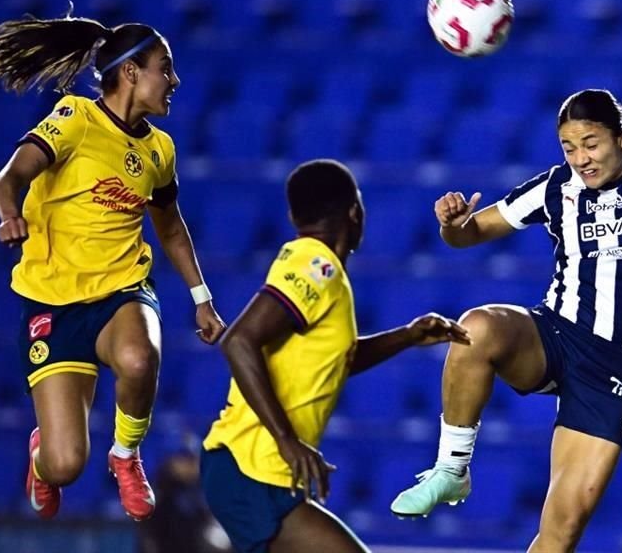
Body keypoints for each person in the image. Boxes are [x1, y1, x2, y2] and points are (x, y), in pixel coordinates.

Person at [390, 68, 622, 552]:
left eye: (590, 144)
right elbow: (469, 235)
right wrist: (451, 224)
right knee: (477, 328)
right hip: (555, 334)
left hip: (614, 369)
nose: (581, 159)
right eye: (569, 148)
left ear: (621, 136)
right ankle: (451, 469)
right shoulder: (554, 188)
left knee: (562, 530)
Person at [0, 11, 226, 521]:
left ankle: (126, 454)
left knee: (141, 358)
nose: (175, 81)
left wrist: (201, 298)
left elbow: (169, 226)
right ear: (132, 73)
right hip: (54, 301)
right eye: (167, 68)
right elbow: (9, 177)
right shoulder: (76, 119)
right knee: (66, 463)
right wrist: (9, 215)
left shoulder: (159, 150)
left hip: (122, 290)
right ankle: (41, 456)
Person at [199, 159, 471, 553]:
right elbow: (238, 341)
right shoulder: (317, 265)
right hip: (251, 466)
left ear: (294, 215)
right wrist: (287, 440)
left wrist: (408, 336)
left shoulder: (325, 274)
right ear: (355, 213)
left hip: (257, 471)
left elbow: (338, 360)